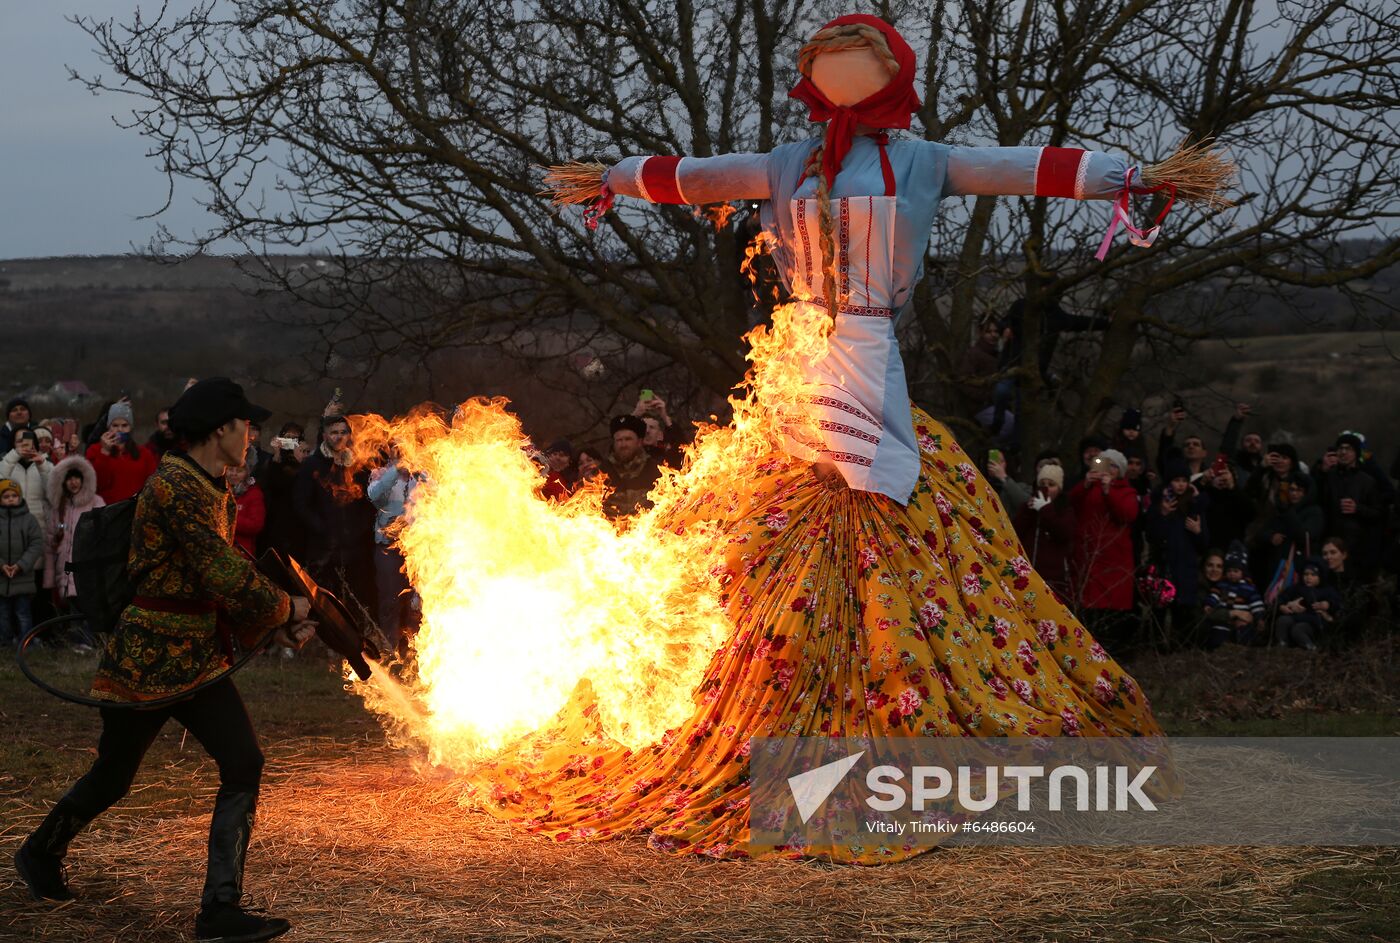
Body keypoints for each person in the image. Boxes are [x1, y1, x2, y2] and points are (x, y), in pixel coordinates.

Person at [490, 13, 1214, 861]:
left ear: (887, 75)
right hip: (797, 357)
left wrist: (1128, 178)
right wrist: (611, 178)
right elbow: (693, 178)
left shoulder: (923, 159)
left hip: (870, 352)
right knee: (782, 509)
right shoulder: (787, 161)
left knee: (885, 496)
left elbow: (1026, 169)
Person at [13, 377, 316, 942]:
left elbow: (223, 575)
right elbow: (220, 573)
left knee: (238, 763)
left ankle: (219, 910)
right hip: (151, 656)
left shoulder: (211, 482)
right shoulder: (177, 486)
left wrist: (275, 618)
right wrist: (285, 606)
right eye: (245, 424)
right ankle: (39, 854)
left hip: (192, 654)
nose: (253, 434)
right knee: (115, 775)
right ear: (222, 430)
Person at [294, 414, 376, 610]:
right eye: (334, 433)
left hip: (355, 548)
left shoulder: (358, 466)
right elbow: (301, 504)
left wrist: (358, 530)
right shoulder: (312, 466)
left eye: (343, 432)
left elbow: (367, 504)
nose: (339, 437)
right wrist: (324, 529)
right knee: (325, 604)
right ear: (324, 435)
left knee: (356, 601)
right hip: (323, 549)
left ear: (349, 435)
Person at [1067, 449, 1141, 654]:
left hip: (1113, 560)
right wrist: (1085, 484)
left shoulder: (1126, 491)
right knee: (1087, 605)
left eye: (1113, 466)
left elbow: (1128, 514)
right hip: (1087, 557)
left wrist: (1109, 491)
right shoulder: (1090, 488)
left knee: (1111, 605)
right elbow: (1070, 502)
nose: (1108, 469)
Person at [367, 449, 418, 651]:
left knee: (417, 601)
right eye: (399, 450)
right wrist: (395, 469)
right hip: (389, 547)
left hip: (419, 548)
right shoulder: (381, 475)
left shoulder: (424, 476)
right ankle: (390, 647)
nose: (406, 454)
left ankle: (415, 649)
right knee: (390, 599)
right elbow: (375, 496)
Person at [1317, 432, 1384, 579]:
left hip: (1358, 546)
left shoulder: (1367, 481)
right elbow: (1315, 499)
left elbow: (1379, 513)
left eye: (1348, 448)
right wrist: (1321, 471)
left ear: (1357, 453)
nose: (1343, 452)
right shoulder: (1328, 476)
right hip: (1330, 543)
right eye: (1340, 448)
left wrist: (1357, 508)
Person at [44, 456, 105, 607]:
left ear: (84, 479)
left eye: (77, 478)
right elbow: (49, 547)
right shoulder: (59, 507)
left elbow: (104, 536)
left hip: (88, 574)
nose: (73, 482)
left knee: (87, 620)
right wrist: (49, 580)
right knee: (70, 621)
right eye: (69, 479)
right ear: (63, 482)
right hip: (63, 577)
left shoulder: (96, 502)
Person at [1011, 463, 1075, 599]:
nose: (1046, 488)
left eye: (1051, 485)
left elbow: (1064, 533)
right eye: (1042, 484)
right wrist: (1028, 511)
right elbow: (1015, 532)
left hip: (1054, 577)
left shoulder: (1065, 510)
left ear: (1059, 488)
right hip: (1028, 572)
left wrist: (1046, 510)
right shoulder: (1028, 508)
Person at [86, 401, 159, 503]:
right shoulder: (95, 450)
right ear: (108, 427)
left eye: (124, 425)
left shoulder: (144, 453)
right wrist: (105, 452)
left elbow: (152, 485)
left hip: (134, 511)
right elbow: (96, 485)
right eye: (115, 425)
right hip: (107, 511)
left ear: (130, 427)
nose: (119, 430)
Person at [0, 479, 44, 648]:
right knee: (3, 613)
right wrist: (2, 565)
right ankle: (5, 642)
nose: (10, 499)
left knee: (23, 613)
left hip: (22, 577)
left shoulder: (29, 520)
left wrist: (20, 565)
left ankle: (27, 642)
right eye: (6, 496)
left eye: (14, 495)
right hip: (2, 578)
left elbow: (36, 544)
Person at [601, 414, 663, 518]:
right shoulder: (602, 472)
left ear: (639, 442)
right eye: (619, 440)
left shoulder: (656, 470)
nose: (623, 444)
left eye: (628, 439)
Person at [1272, 558, 1342, 651]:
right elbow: (1281, 598)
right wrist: (1282, 606)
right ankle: (1282, 644)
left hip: (1313, 622)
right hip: (1295, 617)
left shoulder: (1327, 590)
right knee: (1282, 620)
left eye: (1313, 575)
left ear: (1320, 576)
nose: (1308, 577)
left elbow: (1337, 602)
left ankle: (1311, 647)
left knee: (1298, 629)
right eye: (1306, 574)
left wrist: (1328, 604)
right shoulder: (1297, 588)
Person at [226, 463, 266, 558]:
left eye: (239, 471)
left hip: (241, 551)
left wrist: (229, 517)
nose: (234, 474)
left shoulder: (253, 493)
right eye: (231, 469)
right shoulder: (218, 489)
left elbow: (255, 525)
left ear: (246, 473)